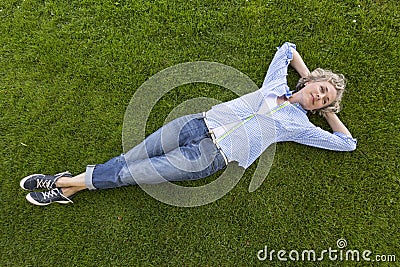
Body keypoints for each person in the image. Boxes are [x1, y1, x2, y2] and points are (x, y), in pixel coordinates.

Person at [19, 42, 357, 206]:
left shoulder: (299, 125)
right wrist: (307, 76)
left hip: (209, 157)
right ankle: (68, 189)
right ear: (313, 81)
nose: (320, 97)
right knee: (127, 161)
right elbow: (287, 49)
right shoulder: (274, 85)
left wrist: (327, 114)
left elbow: (347, 142)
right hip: (194, 123)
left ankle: (60, 181)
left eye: (325, 100)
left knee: (132, 174)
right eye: (322, 90)